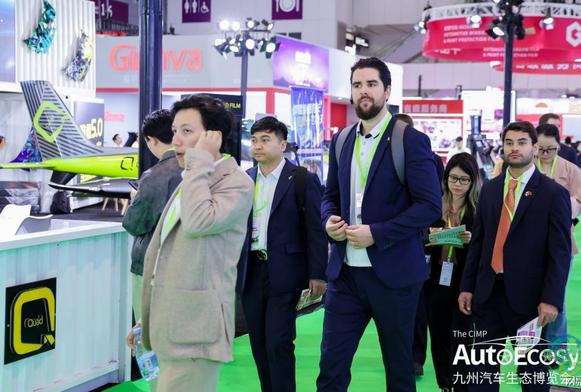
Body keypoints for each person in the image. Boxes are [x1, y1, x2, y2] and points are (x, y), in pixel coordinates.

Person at [317, 57, 442, 392]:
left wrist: (377, 233)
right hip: (345, 276)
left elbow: (429, 206)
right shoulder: (342, 140)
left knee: (399, 372)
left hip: (394, 277)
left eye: (371, 84)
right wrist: (328, 219)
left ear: (387, 91)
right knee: (330, 369)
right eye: (357, 85)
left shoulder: (410, 140)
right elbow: (330, 195)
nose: (363, 91)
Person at [127, 94, 254, 390]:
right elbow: (169, 257)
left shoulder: (235, 182)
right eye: (175, 131)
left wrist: (200, 162)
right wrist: (147, 319)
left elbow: (198, 223)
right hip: (172, 327)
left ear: (213, 137)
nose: (176, 141)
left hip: (196, 334)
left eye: (187, 131)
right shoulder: (191, 178)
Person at [458, 121, 572, 392]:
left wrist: (552, 299)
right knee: (481, 374)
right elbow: (479, 243)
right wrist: (467, 286)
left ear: (535, 147)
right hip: (487, 295)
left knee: (532, 375)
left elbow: (560, 253)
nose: (514, 148)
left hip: (530, 301)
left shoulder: (553, 193)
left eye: (522, 142)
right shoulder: (490, 188)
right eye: (509, 142)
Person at [237, 116, 327, 392]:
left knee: (279, 342)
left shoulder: (301, 179)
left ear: (282, 144)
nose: (257, 146)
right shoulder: (245, 179)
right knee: (259, 343)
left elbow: (315, 229)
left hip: (285, 271)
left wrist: (318, 273)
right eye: (254, 140)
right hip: (251, 271)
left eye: (265, 140)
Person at [393, 113, 444, 378]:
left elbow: (435, 201)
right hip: (395, 241)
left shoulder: (430, 159)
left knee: (421, 303)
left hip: (424, 239)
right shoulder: (382, 157)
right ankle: (408, 355)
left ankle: (416, 356)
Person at [425, 153, 481, 391]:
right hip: (435, 279)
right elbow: (417, 239)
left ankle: (461, 384)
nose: (457, 184)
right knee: (438, 336)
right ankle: (445, 384)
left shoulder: (478, 210)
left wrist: (472, 239)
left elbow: (485, 247)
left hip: (463, 281)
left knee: (462, 337)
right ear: (445, 178)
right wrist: (429, 237)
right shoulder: (433, 206)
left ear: (473, 182)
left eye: (464, 180)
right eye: (453, 178)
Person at [122, 110, 182, 323]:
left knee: (146, 330)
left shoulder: (155, 176)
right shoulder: (198, 169)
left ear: (151, 139)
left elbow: (134, 224)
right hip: (186, 265)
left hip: (151, 265)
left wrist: (134, 200)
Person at [535, 124, 581, 344]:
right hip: (530, 242)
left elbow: (580, 202)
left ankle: (557, 348)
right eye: (541, 149)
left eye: (551, 149)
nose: (545, 154)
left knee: (557, 298)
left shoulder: (571, 170)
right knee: (529, 296)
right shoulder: (526, 166)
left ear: (559, 146)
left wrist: (557, 206)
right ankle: (533, 348)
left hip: (561, 241)